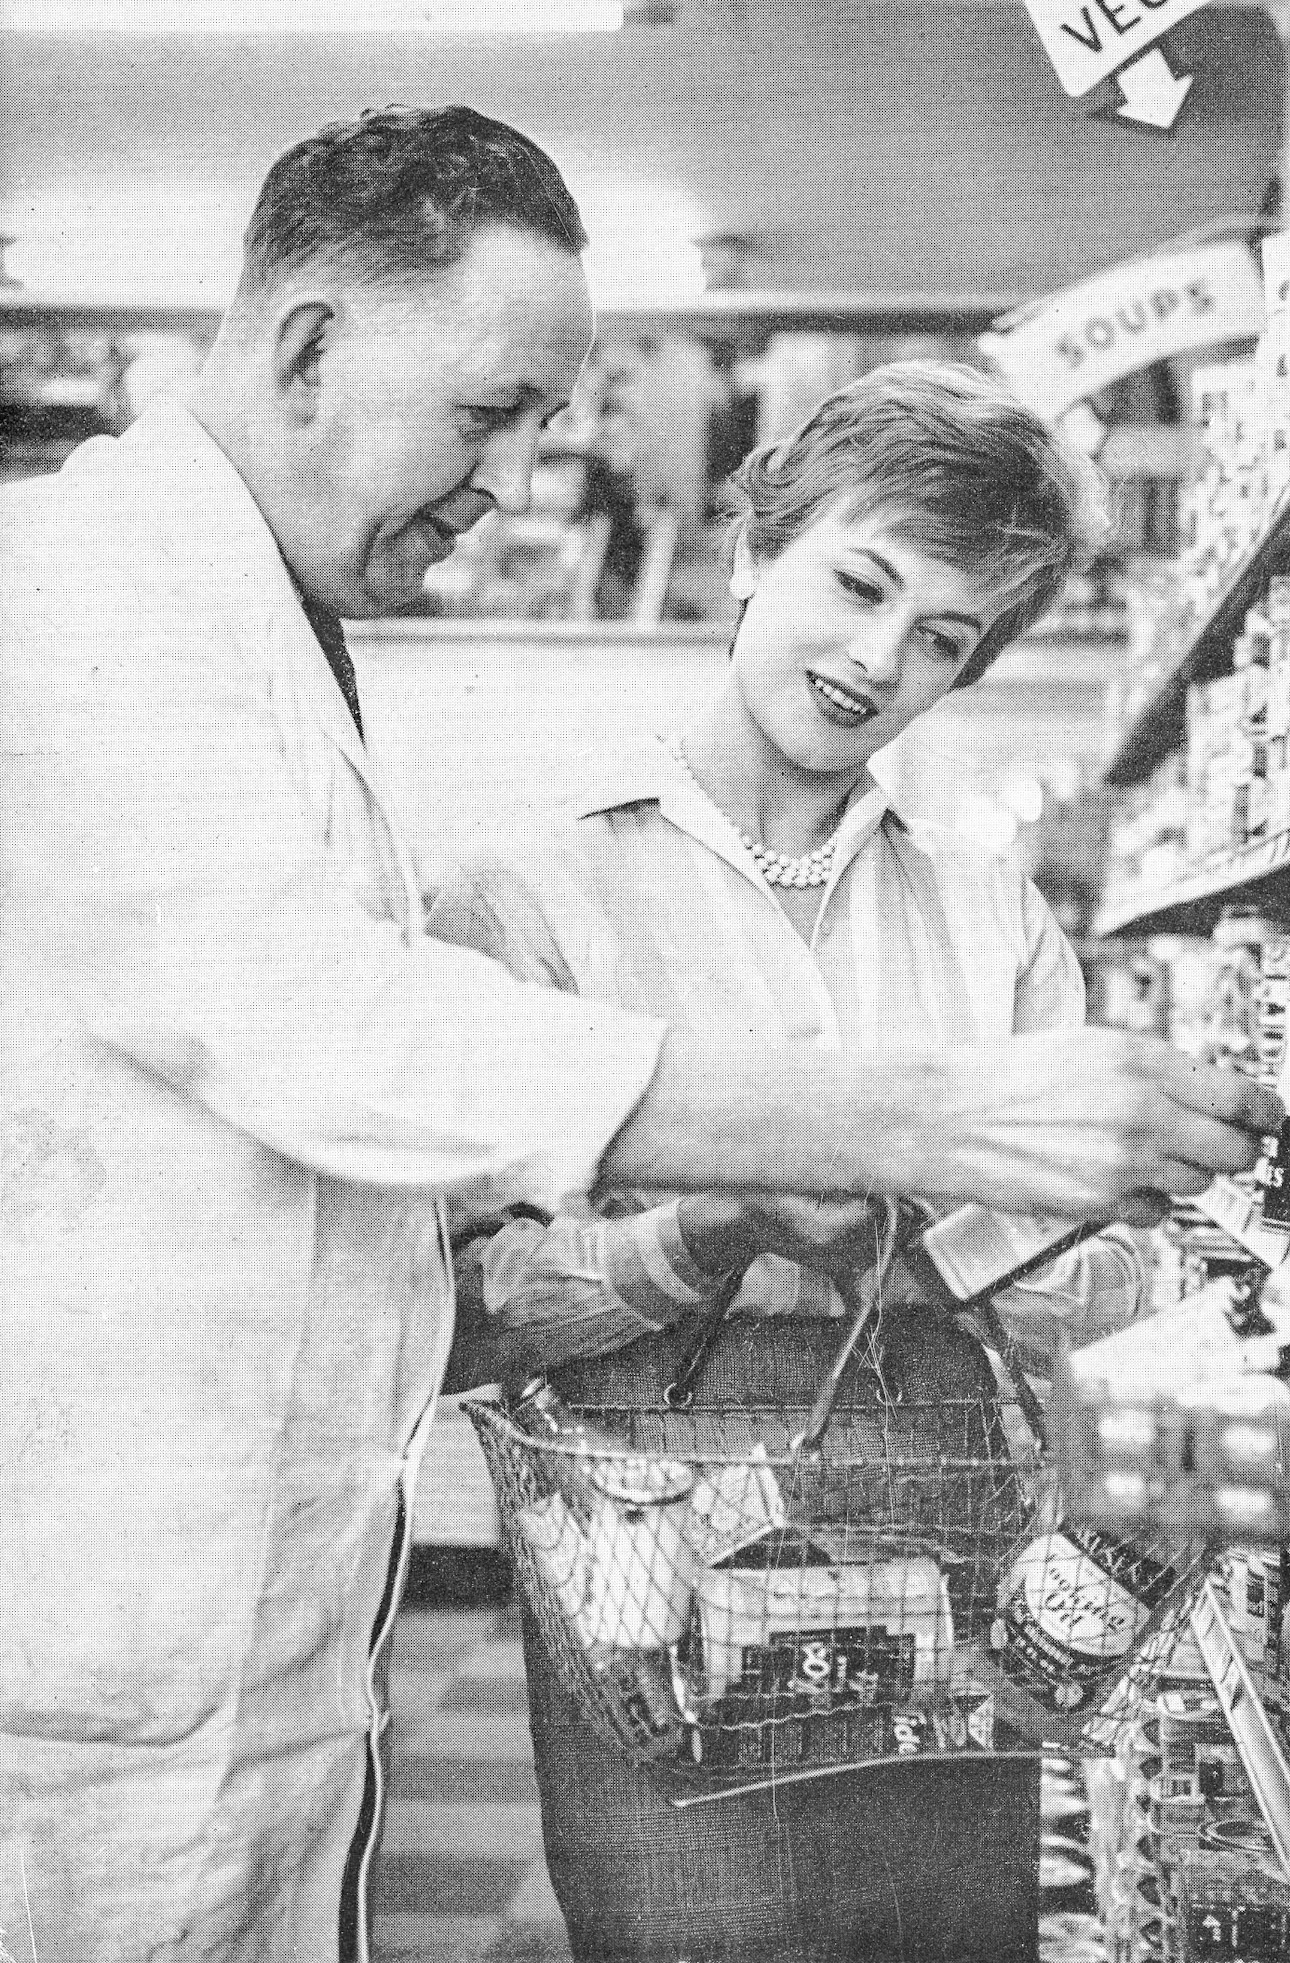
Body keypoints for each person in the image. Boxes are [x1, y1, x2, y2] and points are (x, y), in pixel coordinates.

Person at [0, 105, 1281, 1963]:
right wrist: (870, 1133)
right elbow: (318, 1021)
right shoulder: (75, 594)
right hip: (124, 1643)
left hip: (266, 1637)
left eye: (948, 639)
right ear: (306, 347)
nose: (514, 483)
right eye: (488, 413)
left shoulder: (263, 628)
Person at [425, 361, 1172, 1962]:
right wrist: (707, 1228)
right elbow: (459, 1316)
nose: (876, 660)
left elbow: (1104, 1274)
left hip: (950, 1572)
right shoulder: (524, 888)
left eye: (944, 639)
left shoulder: (992, 915)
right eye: (860, 583)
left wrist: (970, 1261)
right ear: (763, 536)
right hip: (650, 1587)